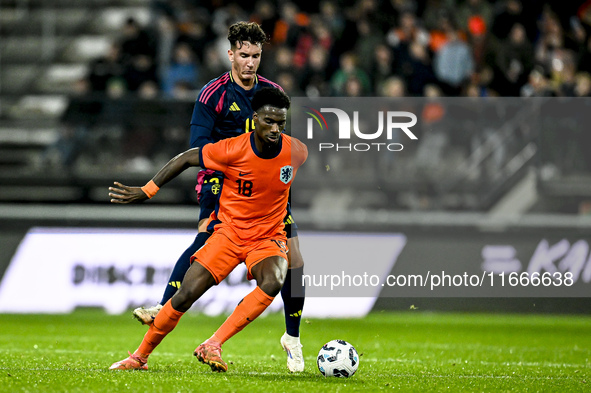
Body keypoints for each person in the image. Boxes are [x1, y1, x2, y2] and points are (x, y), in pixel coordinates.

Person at [132, 21, 307, 372]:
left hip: (265, 187)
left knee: (297, 262)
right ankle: (163, 306)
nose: (250, 62)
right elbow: (197, 150)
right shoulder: (213, 94)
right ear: (231, 54)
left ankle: (293, 337)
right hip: (219, 177)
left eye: (256, 56)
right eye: (244, 55)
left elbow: (284, 149)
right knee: (206, 234)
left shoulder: (270, 95)